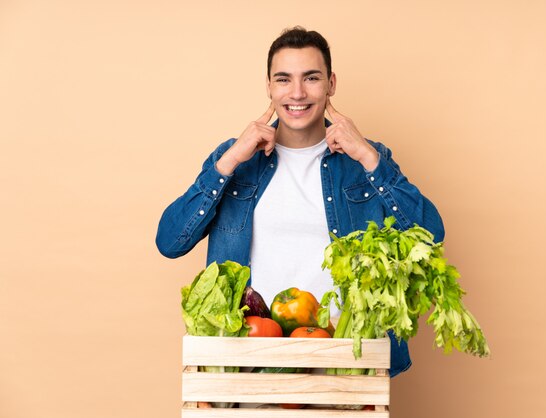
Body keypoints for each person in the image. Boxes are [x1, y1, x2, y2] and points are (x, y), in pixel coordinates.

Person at [156, 26, 444, 377]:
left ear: (331, 84)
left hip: (342, 358)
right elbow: (170, 242)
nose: (297, 93)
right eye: (283, 79)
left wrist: (369, 158)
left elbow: (432, 236)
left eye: (311, 78)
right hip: (247, 356)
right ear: (268, 86)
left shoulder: (367, 159)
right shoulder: (234, 159)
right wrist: (227, 163)